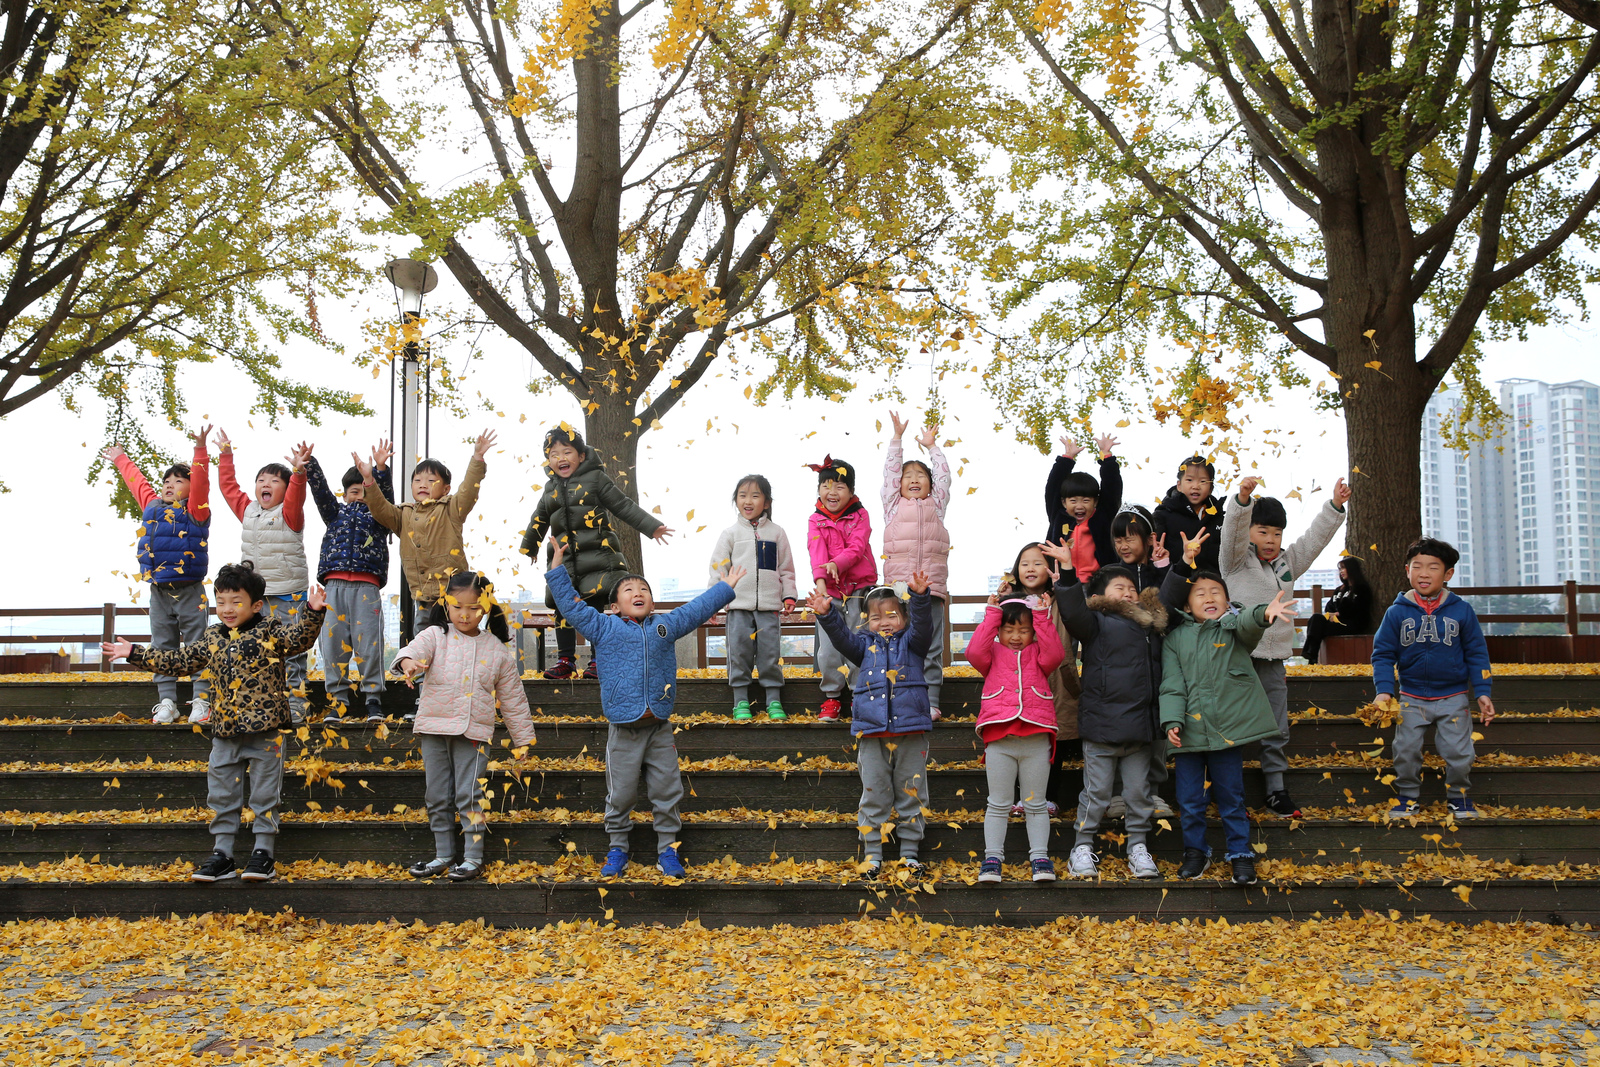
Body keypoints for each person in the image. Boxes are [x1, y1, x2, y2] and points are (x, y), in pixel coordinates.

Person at [102, 561, 326, 883]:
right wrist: (135, 653)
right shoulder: (212, 637)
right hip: (225, 732)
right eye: (221, 602)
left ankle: (263, 853)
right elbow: (178, 660)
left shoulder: (270, 630)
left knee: (265, 795)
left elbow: (299, 639)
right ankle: (223, 854)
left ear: (256, 605)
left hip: (266, 732)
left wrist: (313, 612)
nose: (227, 609)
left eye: (236, 602)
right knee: (222, 794)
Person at [545, 538, 740, 879]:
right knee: (620, 794)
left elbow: (695, 610)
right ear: (614, 606)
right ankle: (618, 848)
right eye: (629, 590)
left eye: (644, 590)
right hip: (623, 730)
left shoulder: (665, 626)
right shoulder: (603, 627)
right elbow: (572, 607)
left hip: (658, 729)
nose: (638, 593)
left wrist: (725, 589)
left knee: (667, 791)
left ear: (651, 601)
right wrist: (557, 571)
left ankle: (668, 850)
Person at [1160, 533, 1298, 886]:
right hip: (1189, 735)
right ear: (1187, 604)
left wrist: (1264, 613)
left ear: (1227, 600)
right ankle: (1196, 851)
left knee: (1231, 798)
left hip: (1227, 733)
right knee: (1190, 800)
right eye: (1200, 594)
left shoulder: (1233, 629)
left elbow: (1249, 621)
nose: (1209, 598)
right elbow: (1172, 684)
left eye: (1216, 592)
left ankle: (1240, 852)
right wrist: (1171, 720)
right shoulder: (1175, 639)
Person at [1218, 473, 1351, 817]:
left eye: (1277, 533)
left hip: (1274, 658)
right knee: (1231, 723)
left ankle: (1276, 789)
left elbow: (1313, 541)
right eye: (1262, 532)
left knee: (1276, 725)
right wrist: (1242, 502)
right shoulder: (1235, 560)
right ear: (1249, 532)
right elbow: (1232, 533)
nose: (1270, 540)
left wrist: (1335, 506)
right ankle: (1228, 792)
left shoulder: (1286, 563)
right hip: (1237, 657)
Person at [393, 571, 537, 881]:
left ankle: (472, 857)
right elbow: (411, 652)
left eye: (473, 608)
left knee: (470, 794)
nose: (464, 614)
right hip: (434, 728)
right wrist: (408, 664)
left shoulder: (496, 649)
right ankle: (443, 854)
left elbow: (513, 698)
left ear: (486, 607)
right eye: (457, 607)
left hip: (473, 733)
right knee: (436, 795)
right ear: (446, 604)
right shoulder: (435, 636)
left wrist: (522, 739)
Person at [519, 425, 672, 680]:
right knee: (563, 608)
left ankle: (599, 659)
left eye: (567, 452)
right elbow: (539, 518)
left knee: (593, 608)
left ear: (581, 455)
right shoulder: (550, 489)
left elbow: (622, 504)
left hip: (597, 557)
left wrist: (651, 527)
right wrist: (530, 546)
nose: (561, 458)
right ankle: (565, 660)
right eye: (554, 455)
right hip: (564, 559)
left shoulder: (595, 479)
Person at [810, 575, 936, 879]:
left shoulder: (913, 644)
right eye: (876, 617)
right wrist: (827, 615)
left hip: (910, 732)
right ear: (867, 622)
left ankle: (909, 853)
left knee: (912, 793)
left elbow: (923, 627)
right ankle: (872, 854)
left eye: (892, 615)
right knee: (873, 793)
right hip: (872, 733)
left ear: (904, 617)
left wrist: (920, 599)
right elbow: (842, 638)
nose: (884, 622)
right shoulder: (864, 647)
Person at [1054, 565, 1169, 880]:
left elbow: (1170, 596)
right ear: (1100, 596)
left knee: (1139, 793)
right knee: (1097, 793)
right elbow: (1073, 612)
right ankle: (1082, 846)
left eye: (1132, 588)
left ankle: (1138, 847)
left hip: (1140, 729)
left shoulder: (1150, 626)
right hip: (1102, 730)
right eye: (1120, 587)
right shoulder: (1096, 621)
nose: (1129, 592)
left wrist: (1177, 565)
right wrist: (1068, 573)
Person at [1372, 538, 1496, 821]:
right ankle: (1407, 796)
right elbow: (1382, 654)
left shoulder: (1462, 611)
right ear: (1407, 570)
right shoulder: (1396, 612)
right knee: (1405, 750)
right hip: (1411, 697)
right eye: (1417, 566)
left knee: (1459, 751)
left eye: (1433, 567)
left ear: (1448, 573)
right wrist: (1384, 691)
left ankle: (1459, 796)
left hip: (1453, 697)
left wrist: (1482, 691)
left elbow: (1478, 654)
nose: (1424, 573)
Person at [103, 427, 215, 725]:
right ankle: (167, 701)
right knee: (162, 645)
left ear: (190, 488)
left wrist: (200, 450)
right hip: (159, 591)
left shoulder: (196, 511)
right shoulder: (152, 508)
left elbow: (202, 482)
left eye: (178, 481)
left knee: (197, 645)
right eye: (166, 481)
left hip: (190, 590)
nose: (170, 485)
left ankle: (201, 700)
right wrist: (121, 458)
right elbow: (137, 483)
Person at [216, 430, 312, 725]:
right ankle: (263, 702)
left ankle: (296, 703)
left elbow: (297, 494)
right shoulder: (248, 511)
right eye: (261, 480)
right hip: (255, 597)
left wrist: (298, 473)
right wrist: (225, 455)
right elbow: (228, 487)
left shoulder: (290, 513)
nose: (266, 484)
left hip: (287, 592)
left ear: (285, 489)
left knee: (291, 650)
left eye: (274, 481)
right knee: (257, 650)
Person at [966, 594, 1062, 883]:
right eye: (1009, 630)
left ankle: (1040, 858)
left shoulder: (1039, 654)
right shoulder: (992, 655)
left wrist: (1042, 616)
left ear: (1033, 632)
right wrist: (993, 613)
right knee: (998, 803)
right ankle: (992, 859)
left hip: (1036, 738)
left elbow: (1056, 654)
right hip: (1000, 738)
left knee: (1035, 803)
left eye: (1023, 630)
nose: (1016, 637)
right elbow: (974, 652)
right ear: (999, 631)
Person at [359, 428, 495, 626]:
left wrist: (477, 458)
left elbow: (468, 490)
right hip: (422, 596)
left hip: (453, 596)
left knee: (454, 638)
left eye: (431, 481)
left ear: (446, 489)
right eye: (417, 480)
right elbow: (380, 509)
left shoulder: (451, 509)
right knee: (423, 639)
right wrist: (369, 481)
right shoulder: (404, 514)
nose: (423, 484)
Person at [305, 440, 393, 724]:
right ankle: (338, 700)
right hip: (334, 587)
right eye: (354, 492)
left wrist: (379, 470)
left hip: (367, 587)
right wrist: (310, 464)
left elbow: (385, 497)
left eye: (366, 492)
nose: (360, 497)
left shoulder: (379, 517)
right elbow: (320, 492)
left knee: (369, 644)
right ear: (344, 495)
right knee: (332, 644)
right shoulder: (335, 514)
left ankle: (373, 699)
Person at [881, 412, 954, 721]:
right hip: (900, 590)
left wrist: (932, 447)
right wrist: (897, 439)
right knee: (898, 643)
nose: (913, 480)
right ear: (898, 485)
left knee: (932, 646)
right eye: (907, 476)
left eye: (920, 476)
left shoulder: (937, 505)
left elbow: (945, 476)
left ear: (930, 484)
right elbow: (890, 472)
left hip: (932, 589)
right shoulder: (892, 505)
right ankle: (899, 697)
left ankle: (931, 700)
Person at [709, 474, 797, 720]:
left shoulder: (777, 533)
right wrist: (713, 602)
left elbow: (786, 568)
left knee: (770, 654)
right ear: (736, 500)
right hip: (738, 607)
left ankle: (773, 700)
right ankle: (740, 701)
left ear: (766, 502)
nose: (748, 501)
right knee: (739, 653)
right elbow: (718, 569)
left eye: (755, 496)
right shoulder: (730, 534)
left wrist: (789, 595)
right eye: (742, 496)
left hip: (769, 608)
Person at [998, 542, 1076, 815]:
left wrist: (1065, 578)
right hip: (1018, 680)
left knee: (1053, 739)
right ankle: (1020, 797)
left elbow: (1075, 605)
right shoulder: (1010, 602)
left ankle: (1049, 796)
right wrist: (1003, 601)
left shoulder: (1060, 597)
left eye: (1037, 563)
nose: (1030, 568)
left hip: (1056, 678)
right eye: (1024, 563)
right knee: (1019, 736)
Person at [805, 455, 876, 721]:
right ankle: (832, 696)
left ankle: (860, 693)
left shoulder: (861, 515)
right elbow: (816, 552)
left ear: (851, 491)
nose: (831, 491)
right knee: (828, 647)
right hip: (830, 593)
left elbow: (857, 547)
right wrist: (821, 587)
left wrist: (837, 563)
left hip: (859, 590)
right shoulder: (815, 519)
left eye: (839, 486)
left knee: (860, 640)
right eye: (825, 485)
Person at [1042, 432, 1122, 581]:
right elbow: (1052, 487)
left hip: (1099, 584)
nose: (1079, 506)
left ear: (1095, 502)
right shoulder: (1058, 517)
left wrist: (1107, 457)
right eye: (1073, 501)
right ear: (1064, 502)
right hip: (1063, 582)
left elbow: (1112, 489)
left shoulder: (1102, 518)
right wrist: (1067, 459)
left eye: (1086, 500)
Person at [1152, 455, 1226, 574]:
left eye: (1203, 481)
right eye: (1189, 480)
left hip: (1212, 582)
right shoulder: (1163, 515)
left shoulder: (1220, 519)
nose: (1195, 486)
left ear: (1211, 488)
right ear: (1179, 485)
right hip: (1176, 580)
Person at [1301, 557, 1375, 664]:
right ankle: (1310, 654)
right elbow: (1329, 607)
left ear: (1352, 569)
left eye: (1344, 568)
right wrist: (1333, 614)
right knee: (1315, 618)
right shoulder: (1339, 590)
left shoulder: (1361, 588)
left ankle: (1312, 656)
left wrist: (1339, 613)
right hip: (1336, 622)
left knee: (1318, 626)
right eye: (1340, 569)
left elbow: (1358, 609)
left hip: (1352, 624)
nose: (1341, 571)